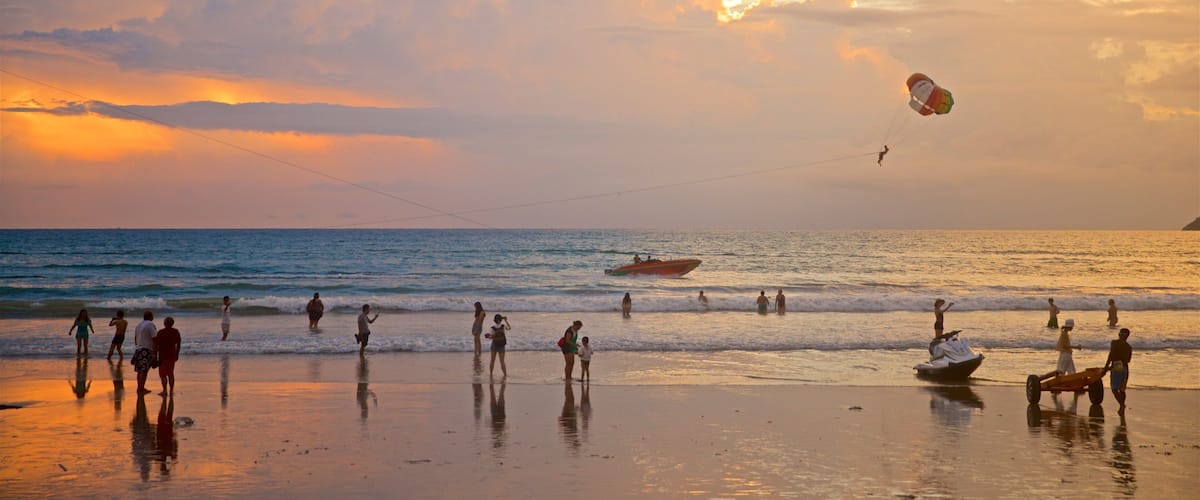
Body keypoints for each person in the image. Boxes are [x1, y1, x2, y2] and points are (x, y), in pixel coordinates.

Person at [1103, 328, 1133, 412]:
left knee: (1114, 389)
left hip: (1117, 367)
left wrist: (1106, 367)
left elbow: (1111, 356)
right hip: (1125, 368)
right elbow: (1128, 360)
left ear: (1119, 335)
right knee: (1122, 389)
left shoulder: (1114, 343)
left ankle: (1122, 405)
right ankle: (1122, 406)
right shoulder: (1129, 347)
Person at [130, 311, 157, 395]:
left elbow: (135, 338)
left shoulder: (139, 325)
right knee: (144, 371)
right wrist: (155, 351)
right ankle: (141, 388)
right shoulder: (150, 324)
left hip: (138, 349)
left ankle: (139, 387)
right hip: (146, 349)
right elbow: (154, 338)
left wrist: (137, 346)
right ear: (150, 316)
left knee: (139, 370)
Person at [155, 317, 182, 395]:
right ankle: (171, 390)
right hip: (172, 355)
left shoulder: (161, 332)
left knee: (163, 374)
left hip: (162, 356)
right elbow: (178, 344)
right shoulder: (176, 332)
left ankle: (164, 390)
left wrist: (155, 356)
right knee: (171, 373)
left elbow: (156, 345)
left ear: (164, 323)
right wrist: (177, 353)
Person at [486, 314, 510, 378]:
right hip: (502, 345)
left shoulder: (492, 328)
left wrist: (488, 336)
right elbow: (509, 328)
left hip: (494, 345)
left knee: (492, 360)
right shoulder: (503, 326)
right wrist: (506, 321)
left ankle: (491, 374)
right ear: (500, 320)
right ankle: (505, 375)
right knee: (502, 361)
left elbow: (491, 337)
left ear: (494, 320)